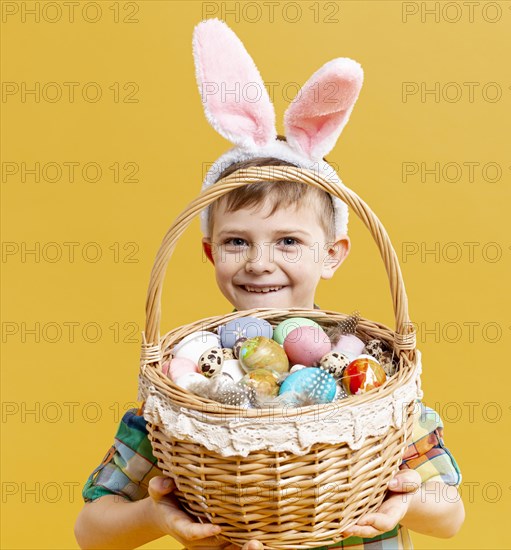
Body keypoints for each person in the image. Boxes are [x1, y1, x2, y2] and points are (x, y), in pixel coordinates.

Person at [74, 19, 465, 550]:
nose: (259, 263)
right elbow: (92, 532)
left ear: (332, 254)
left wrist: (401, 497)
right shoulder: (185, 388)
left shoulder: (370, 373)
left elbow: (450, 514)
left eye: (288, 242)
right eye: (237, 242)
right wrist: (158, 516)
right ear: (210, 252)